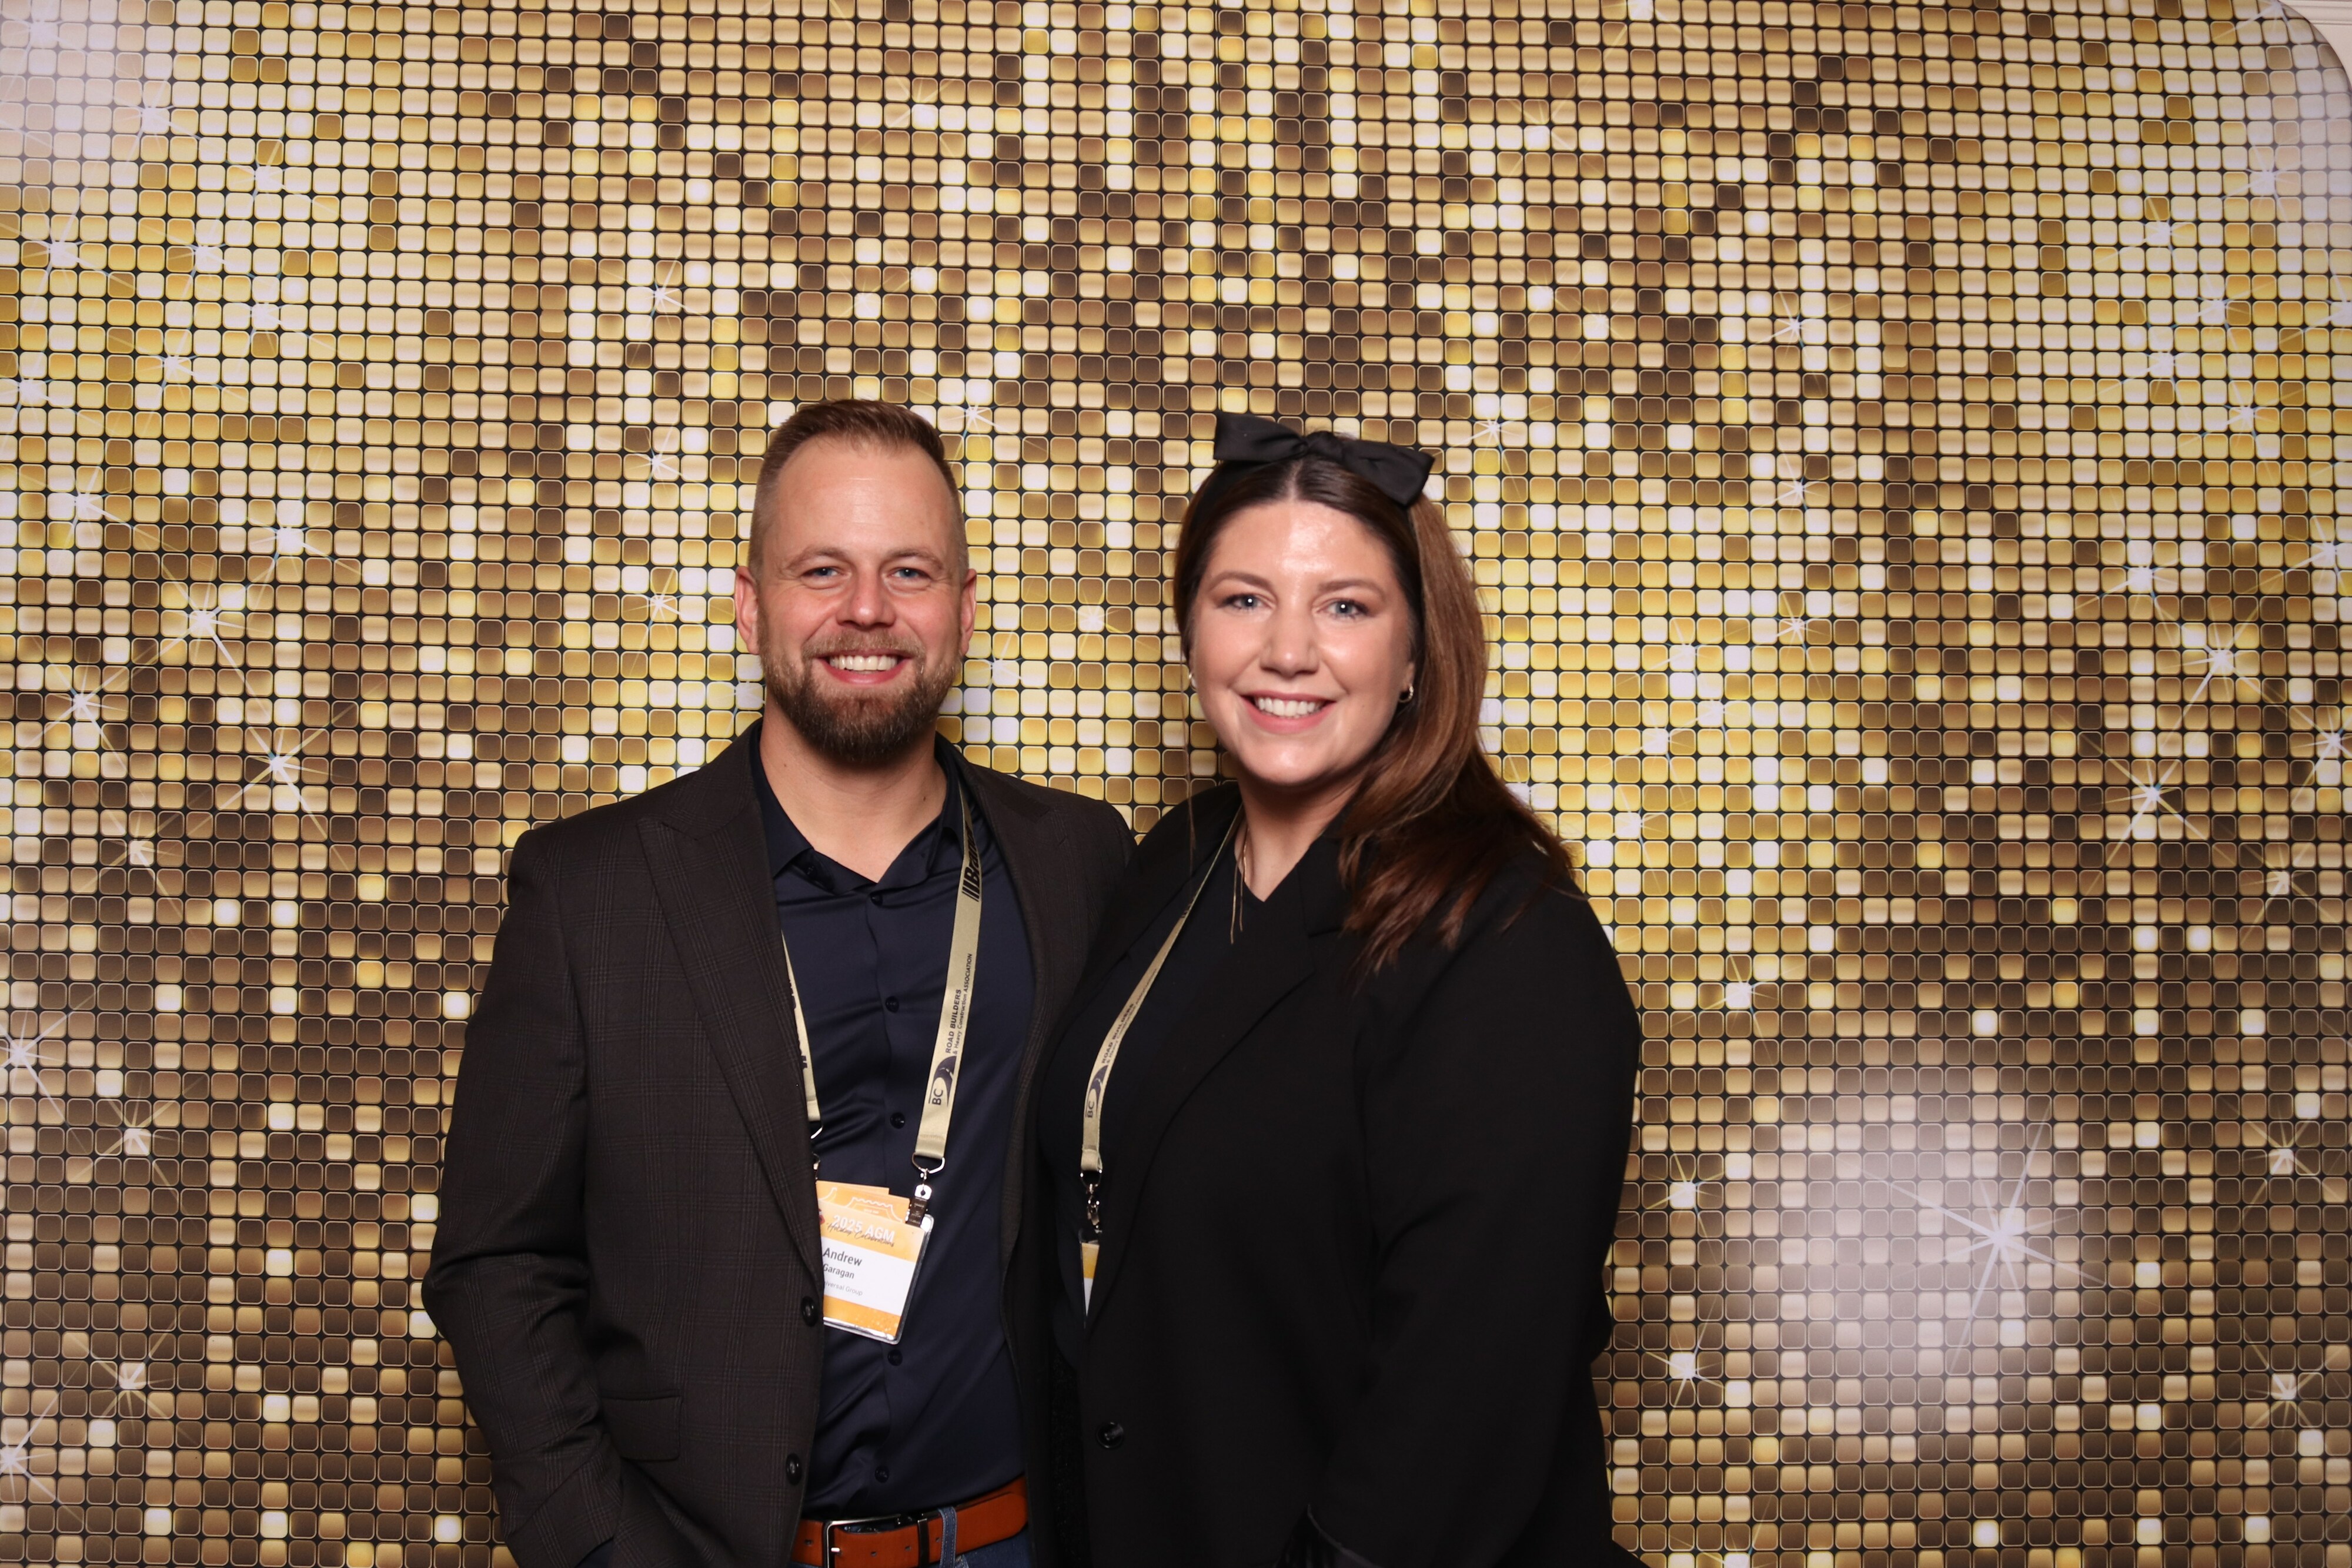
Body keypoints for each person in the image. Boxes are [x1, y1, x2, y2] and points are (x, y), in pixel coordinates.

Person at [424, 400, 1134, 1568]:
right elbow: (496, 1264)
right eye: (822, 569)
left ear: (964, 608)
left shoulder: (1082, 863)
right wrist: (603, 1549)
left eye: (908, 571)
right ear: (751, 604)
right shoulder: (591, 893)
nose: (868, 609)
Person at [1009, 414, 1643, 1568]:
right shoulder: (1171, 863)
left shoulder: (1509, 940)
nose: (1287, 651)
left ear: (1417, 655)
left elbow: (1462, 1408)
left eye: (1344, 606)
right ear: (1189, 629)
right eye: (1244, 599)